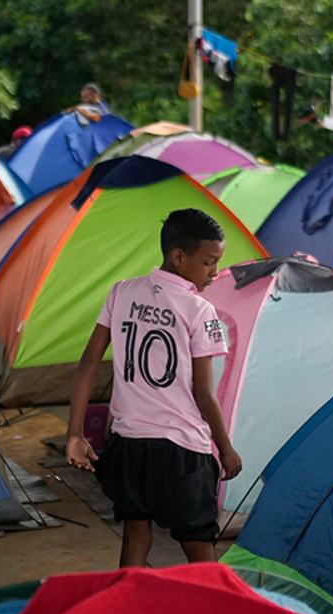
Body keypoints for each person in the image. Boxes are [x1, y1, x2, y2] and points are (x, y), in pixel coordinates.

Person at [64, 208, 242, 568]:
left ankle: (127, 610)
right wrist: (226, 449)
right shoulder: (200, 310)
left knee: (135, 532)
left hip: (129, 447)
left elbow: (86, 368)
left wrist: (74, 434)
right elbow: (204, 394)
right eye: (209, 262)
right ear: (179, 257)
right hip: (182, 452)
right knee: (199, 547)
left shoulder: (122, 292)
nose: (215, 272)